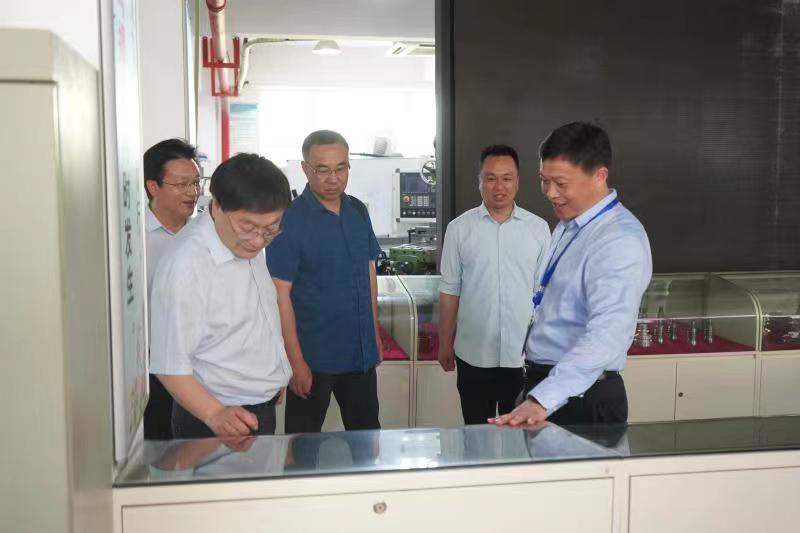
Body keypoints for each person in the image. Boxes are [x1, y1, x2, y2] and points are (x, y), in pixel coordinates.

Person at [491, 122, 652, 427]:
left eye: (561, 184)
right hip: (550, 386)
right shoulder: (570, 224)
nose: (551, 193)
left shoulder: (618, 239)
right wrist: (533, 392)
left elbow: (608, 333)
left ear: (599, 175)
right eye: (544, 181)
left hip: (581, 397)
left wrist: (543, 399)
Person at [150, 153, 293, 438]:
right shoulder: (186, 266)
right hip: (217, 417)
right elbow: (168, 365)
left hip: (259, 405)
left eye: (270, 229)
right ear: (216, 206)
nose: (258, 240)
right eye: (248, 227)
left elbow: (254, 315)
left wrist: (274, 374)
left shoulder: (242, 242)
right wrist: (214, 414)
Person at [267, 130, 383, 434]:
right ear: (305, 169)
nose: (334, 178)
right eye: (323, 170)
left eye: (341, 168)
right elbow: (280, 295)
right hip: (312, 357)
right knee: (302, 446)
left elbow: (369, 274)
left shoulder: (358, 210)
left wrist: (374, 336)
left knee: (367, 439)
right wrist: (295, 361)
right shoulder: (289, 220)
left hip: (359, 354)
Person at [438, 144, 551, 424]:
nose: (499, 187)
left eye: (506, 178)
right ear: (479, 181)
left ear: (518, 181)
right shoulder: (459, 229)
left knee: (521, 436)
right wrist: (444, 343)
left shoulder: (538, 229)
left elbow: (545, 294)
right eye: (490, 178)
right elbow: (450, 289)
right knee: (476, 433)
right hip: (473, 354)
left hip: (521, 356)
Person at [142, 138, 201, 440]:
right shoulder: (132, 239)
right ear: (153, 187)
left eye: (196, 182)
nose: (193, 192)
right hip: (154, 365)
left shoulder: (206, 234)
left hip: (203, 365)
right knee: (160, 446)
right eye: (181, 184)